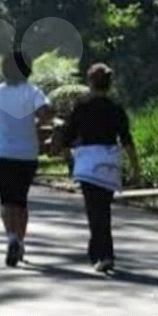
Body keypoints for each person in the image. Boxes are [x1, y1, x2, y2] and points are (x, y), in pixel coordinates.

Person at [57, 63, 141, 273]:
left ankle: (102, 254)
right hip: (109, 162)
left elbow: (66, 138)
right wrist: (135, 167)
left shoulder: (81, 106)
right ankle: (101, 251)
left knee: (94, 210)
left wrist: (70, 161)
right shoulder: (115, 108)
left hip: (87, 163)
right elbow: (127, 140)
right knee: (104, 208)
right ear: (109, 84)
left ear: (89, 82)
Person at [0, 50, 52, 267]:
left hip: (2, 153)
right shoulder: (33, 91)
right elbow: (45, 114)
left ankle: (11, 238)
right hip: (26, 154)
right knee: (21, 201)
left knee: (6, 201)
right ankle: (21, 241)